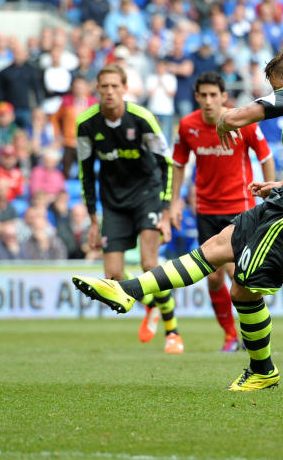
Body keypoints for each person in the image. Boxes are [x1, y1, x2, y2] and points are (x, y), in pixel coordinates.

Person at [73, 48, 283, 390]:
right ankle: (127, 290)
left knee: (242, 290)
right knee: (215, 247)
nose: (279, 96)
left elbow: (245, 115)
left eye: (278, 88)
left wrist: (225, 120)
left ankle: (263, 370)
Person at [75, 63, 182, 353]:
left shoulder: (142, 118)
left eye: (115, 86)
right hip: (113, 203)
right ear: (97, 89)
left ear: (124, 89)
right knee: (113, 278)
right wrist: (94, 221)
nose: (109, 92)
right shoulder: (86, 124)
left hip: (147, 195)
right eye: (104, 86)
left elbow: (166, 163)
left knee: (149, 265)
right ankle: (150, 305)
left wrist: (164, 210)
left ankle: (173, 332)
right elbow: (85, 173)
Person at [169, 71, 275, 353]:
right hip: (206, 209)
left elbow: (266, 157)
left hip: (240, 208)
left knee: (236, 273)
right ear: (196, 97)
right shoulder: (187, 126)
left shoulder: (242, 122)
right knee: (214, 277)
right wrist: (174, 202)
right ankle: (230, 335)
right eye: (203, 95)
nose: (208, 100)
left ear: (224, 97)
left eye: (213, 95)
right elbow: (178, 164)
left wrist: (271, 194)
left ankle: (250, 334)